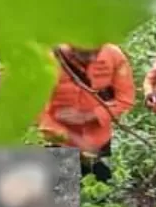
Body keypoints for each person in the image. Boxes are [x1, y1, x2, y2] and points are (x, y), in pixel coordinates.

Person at [39, 43, 135, 183]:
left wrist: (89, 116)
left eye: (96, 52)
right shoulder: (48, 60)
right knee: (62, 194)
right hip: (61, 143)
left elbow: (125, 100)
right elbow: (37, 108)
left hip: (99, 141)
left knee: (99, 193)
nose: (91, 58)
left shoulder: (113, 55)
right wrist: (69, 136)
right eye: (84, 53)